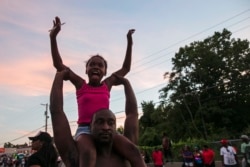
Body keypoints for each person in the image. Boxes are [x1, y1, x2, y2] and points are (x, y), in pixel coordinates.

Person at [49, 16, 138, 167]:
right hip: (85, 129)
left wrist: (129, 42)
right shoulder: (81, 84)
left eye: (100, 65)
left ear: (105, 71)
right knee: (88, 152)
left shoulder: (107, 84)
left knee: (131, 148)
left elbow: (125, 69)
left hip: (106, 128)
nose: (96, 67)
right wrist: (53, 37)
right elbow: (59, 65)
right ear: (86, 70)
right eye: (92, 64)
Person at [49, 70, 146, 167]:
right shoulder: (76, 154)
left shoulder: (127, 151)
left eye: (111, 123)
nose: (106, 127)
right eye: (99, 122)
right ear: (90, 127)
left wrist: (126, 83)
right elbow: (56, 112)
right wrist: (59, 76)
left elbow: (132, 114)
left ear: (115, 127)